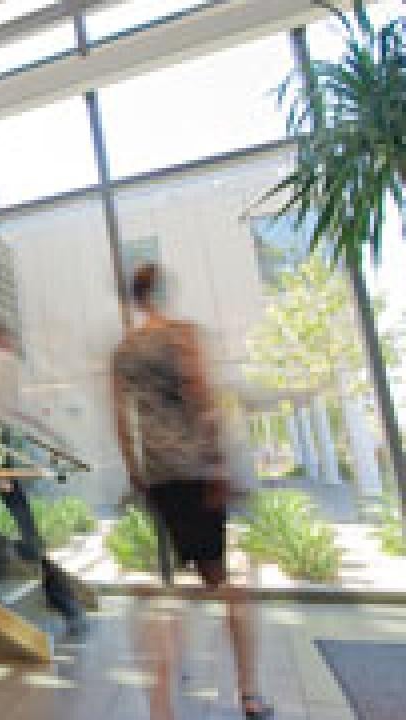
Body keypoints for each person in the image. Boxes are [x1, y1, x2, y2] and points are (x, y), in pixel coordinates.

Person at [110, 264, 272, 720]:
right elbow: (202, 398)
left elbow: (123, 422)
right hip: (196, 472)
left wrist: (135, 471)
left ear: (134, 299)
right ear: (161, 292)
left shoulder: (123, 352)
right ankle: (249, 692)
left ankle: (163, 704)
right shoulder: (182, 336)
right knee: (223, 581)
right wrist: (220, 464)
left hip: (158, 477)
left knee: (176, 582)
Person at [0, 319, 87, 635]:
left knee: (18, 508)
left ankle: (1, 567)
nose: (13, 344)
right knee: (17, 507)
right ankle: (11, 569)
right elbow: (15, 407)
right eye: (9, 338)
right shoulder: (0, 363)